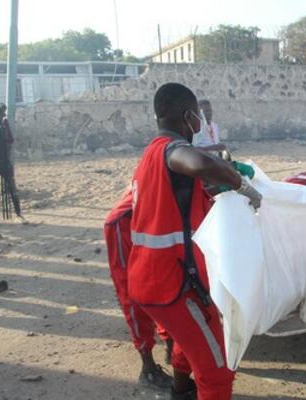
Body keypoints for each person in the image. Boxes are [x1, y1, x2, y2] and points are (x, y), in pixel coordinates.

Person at [128, 82, 262, 400]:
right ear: (189, 116)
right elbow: (200, 163)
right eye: (198, 116)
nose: (200, 123)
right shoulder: (170, 149)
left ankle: (181, 390)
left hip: (154, 278)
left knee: (189, 343)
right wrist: (241, 184)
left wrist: (219, 189)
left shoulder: (149, 154)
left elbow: (182, 200)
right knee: (218, 368)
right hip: (171, 283)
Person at [104, 190, 174, 389]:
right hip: (127, 225)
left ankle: (170, 343)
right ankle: (148, 367)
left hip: (155, 222)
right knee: (132, 293)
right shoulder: (182, 161)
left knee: (165, 282)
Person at [0, 103, 22, 221]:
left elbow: (10, 139)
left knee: (12, 187)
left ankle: (18, 214)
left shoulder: (3, 123)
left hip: (4, 160)